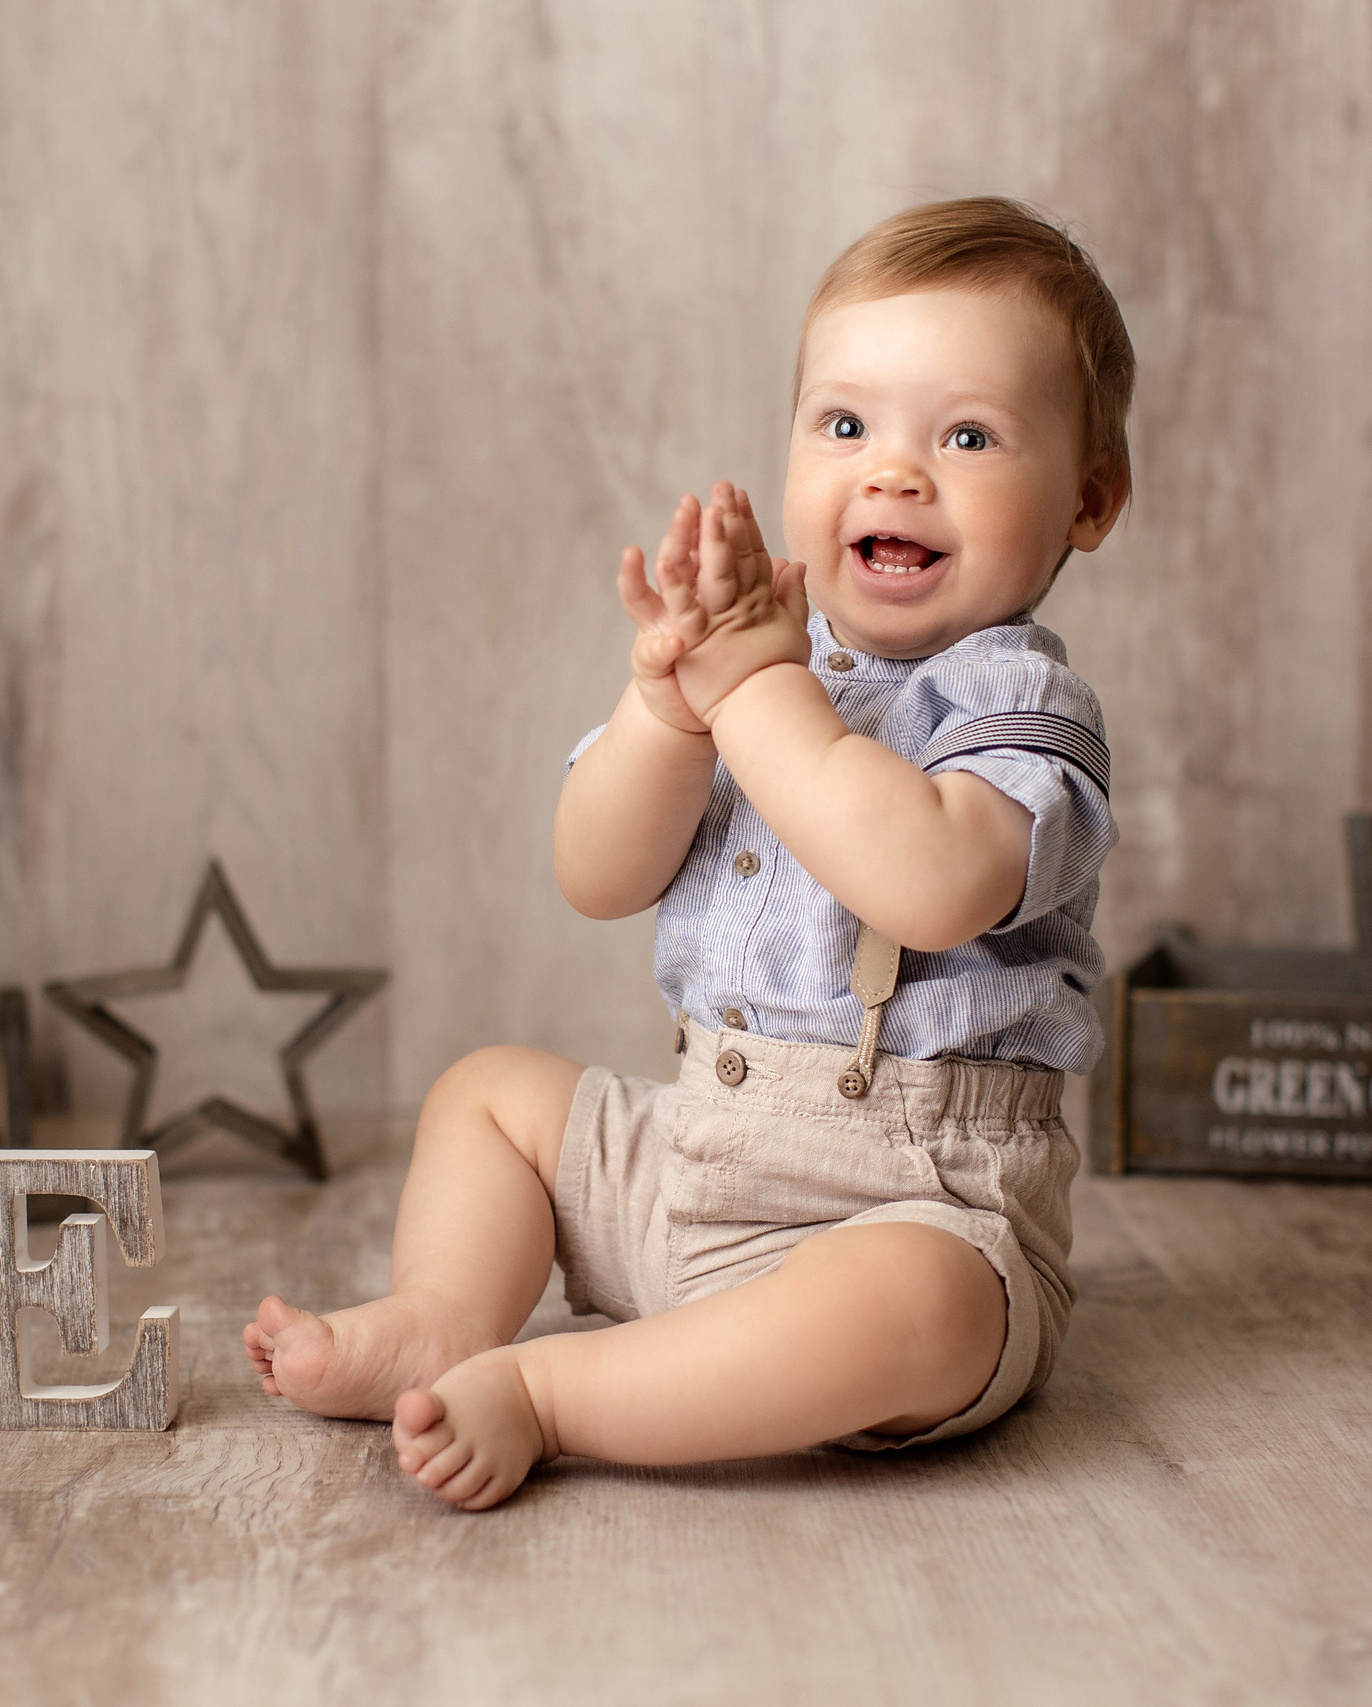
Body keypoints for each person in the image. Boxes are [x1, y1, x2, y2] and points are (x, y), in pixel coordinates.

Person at [246, 196, 1134, 1510]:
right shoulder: (757, 658)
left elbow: (933, 880)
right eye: (846, 425)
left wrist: (756, 693)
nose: (893, 472)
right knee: (490, 1093)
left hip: (910, 1205)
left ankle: (559, 1396)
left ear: (1088, 500)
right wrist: (670, 709)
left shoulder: (1021, 712)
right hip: (699, 1159)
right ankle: (444, 1316)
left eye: (967, 433)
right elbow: (596, 873)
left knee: (922, 1310)